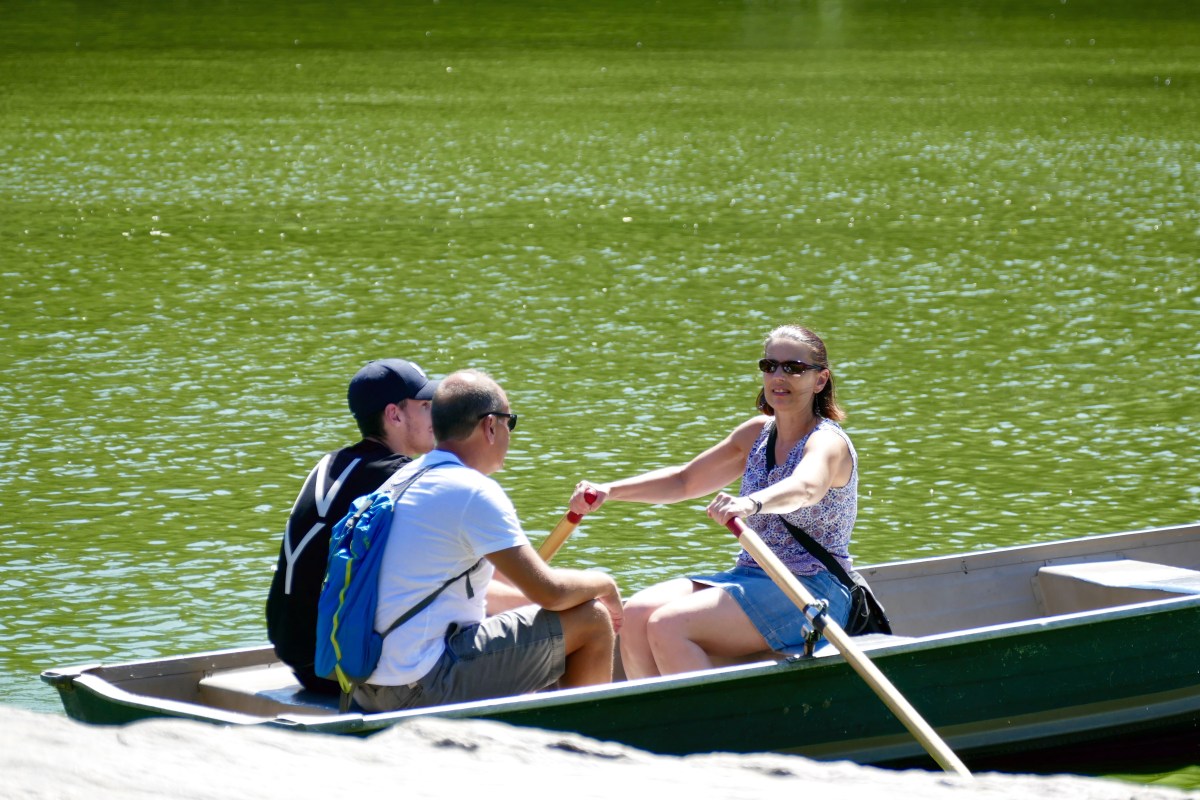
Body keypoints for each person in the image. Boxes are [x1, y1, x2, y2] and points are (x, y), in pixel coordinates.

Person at [568, 324, 858, 679]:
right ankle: (658, 712)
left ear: (820, 380)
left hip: (812, 589)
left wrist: (750, 503)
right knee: (637, 613)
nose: (778, 376)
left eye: (794, 368)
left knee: (669, 624)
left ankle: (702, 714)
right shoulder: (756, 434)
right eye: (769, 366)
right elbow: (684, 480)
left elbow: (806, 487)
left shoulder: (827, 442)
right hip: (752, 574)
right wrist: (610, 490)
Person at [354, 369, 623, 713]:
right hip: (420, 685)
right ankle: (585, 740)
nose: (510, 435)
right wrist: (605, 583)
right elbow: (550, 592)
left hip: (364, 684)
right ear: (490, 426)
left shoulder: (401, 479)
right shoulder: (473, 491)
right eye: (511, 423)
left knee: (528, 628)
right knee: (592, 619)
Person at [266, 358, 527, 694]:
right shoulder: (403, 482)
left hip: (296, 651)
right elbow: (472, 585)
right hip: (342, 664)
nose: (437, 414)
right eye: (426, 406)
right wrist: (541, 600)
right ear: (394, 415)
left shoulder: (330, 464)